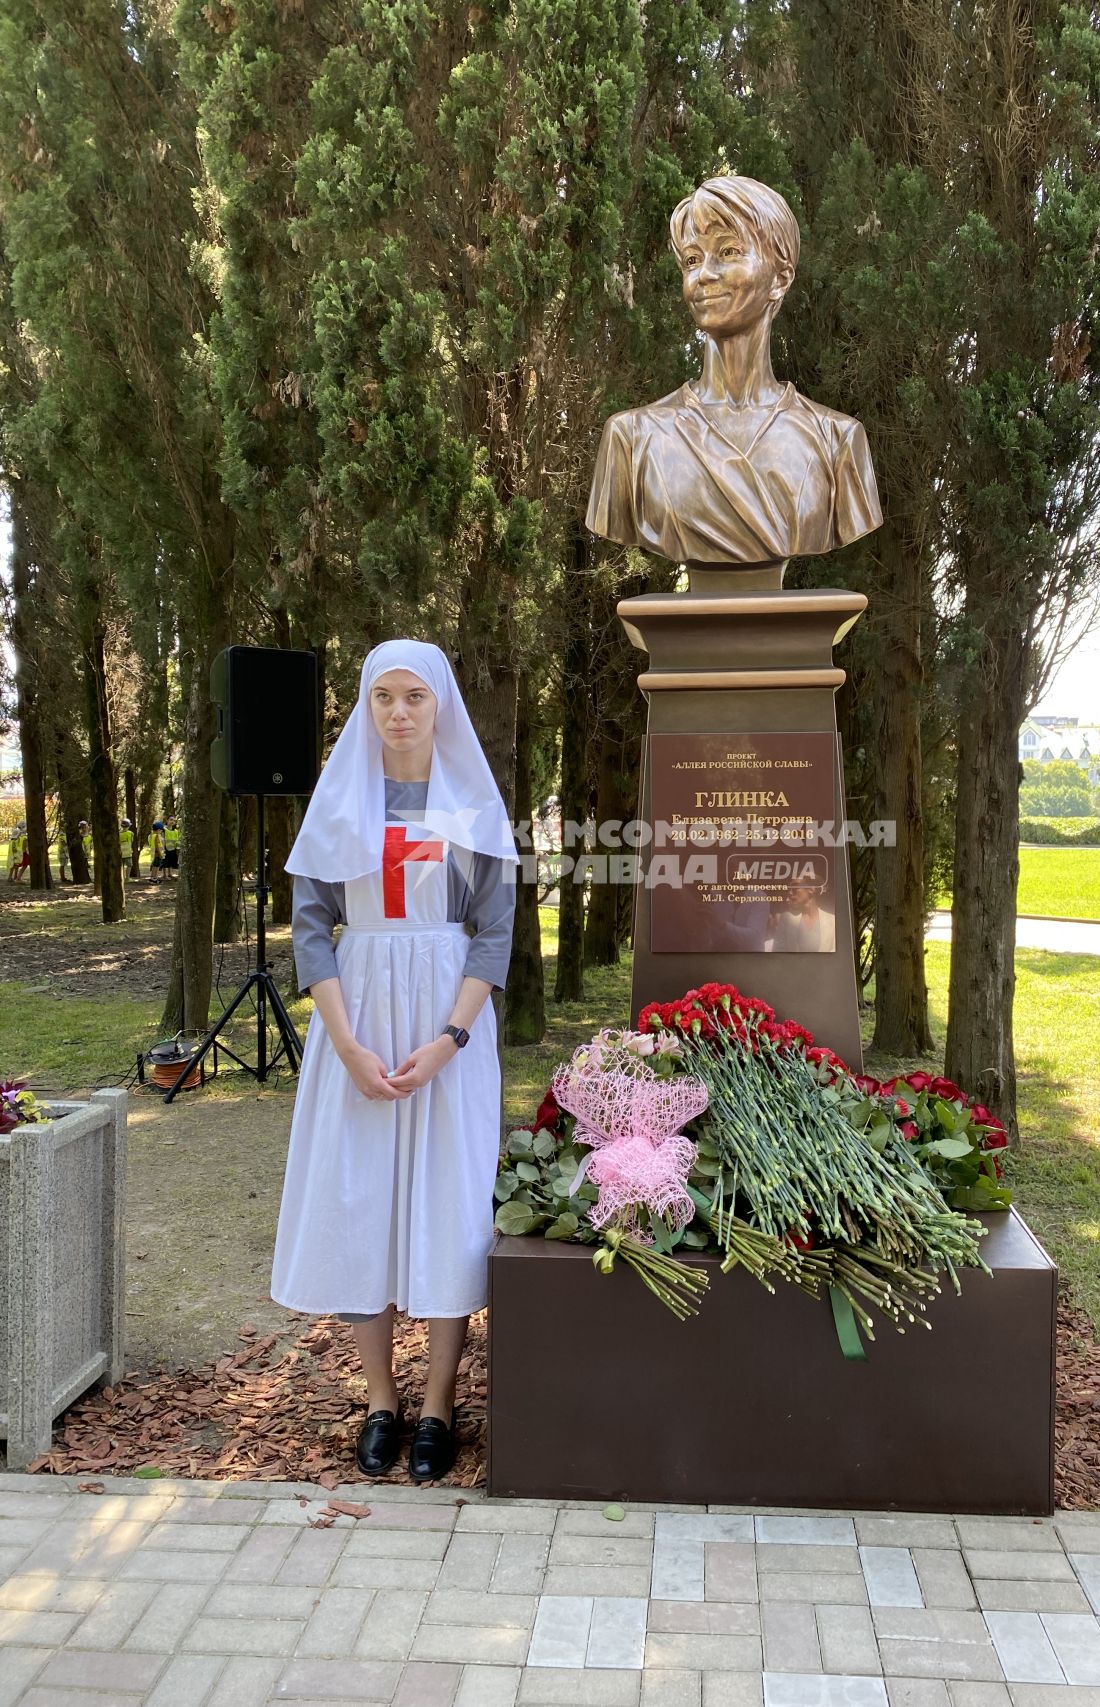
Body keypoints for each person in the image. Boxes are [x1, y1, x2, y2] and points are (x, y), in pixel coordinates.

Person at [271, 639, 517, 1484]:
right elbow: (311, 928)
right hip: (362, 1031)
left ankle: (440, 1401)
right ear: (367, 708)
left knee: (447, 1206)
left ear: (439, 703)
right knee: (363, 1203)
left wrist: (449, 1040)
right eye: (384, 697)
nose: (400, 712)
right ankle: (382, 1397)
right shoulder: (340, 804)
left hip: (446, 1035)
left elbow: (493, 935)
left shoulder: (475, 809)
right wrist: (344, 1043)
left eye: (415, 695)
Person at [587, 174, 882, 566]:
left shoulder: (836, 442)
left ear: (781, 278)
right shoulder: (632, 439)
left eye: (727, 252)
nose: (703, 274)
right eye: (692, 259)